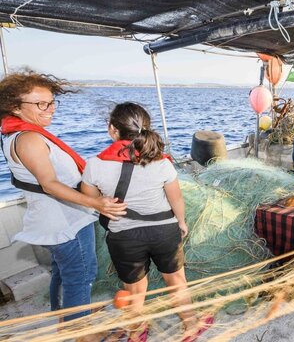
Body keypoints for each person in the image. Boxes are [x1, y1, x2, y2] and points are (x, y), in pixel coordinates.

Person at [0, 70, 127, 322]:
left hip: (58, 217)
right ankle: (81, 333)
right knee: (81, 275)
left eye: (51, 102)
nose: (50, 109)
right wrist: (97, 203)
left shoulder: (18, 134)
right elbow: (49, 184)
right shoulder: (29, 139)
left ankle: (63, 317)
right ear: (15, 107)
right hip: (64, 221)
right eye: (40, 104)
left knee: (63, 271)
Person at [81, 102, 212, 342]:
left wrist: (106, 200)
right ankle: (191, 326)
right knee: (176, 281)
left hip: (124, 237)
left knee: (134, 289)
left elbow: (91, 200)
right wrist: (181, 222)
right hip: (163, 233)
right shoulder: (162, 162)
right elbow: (176, 198)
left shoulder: (95, 164)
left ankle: (136, 332)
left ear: (113, 129)